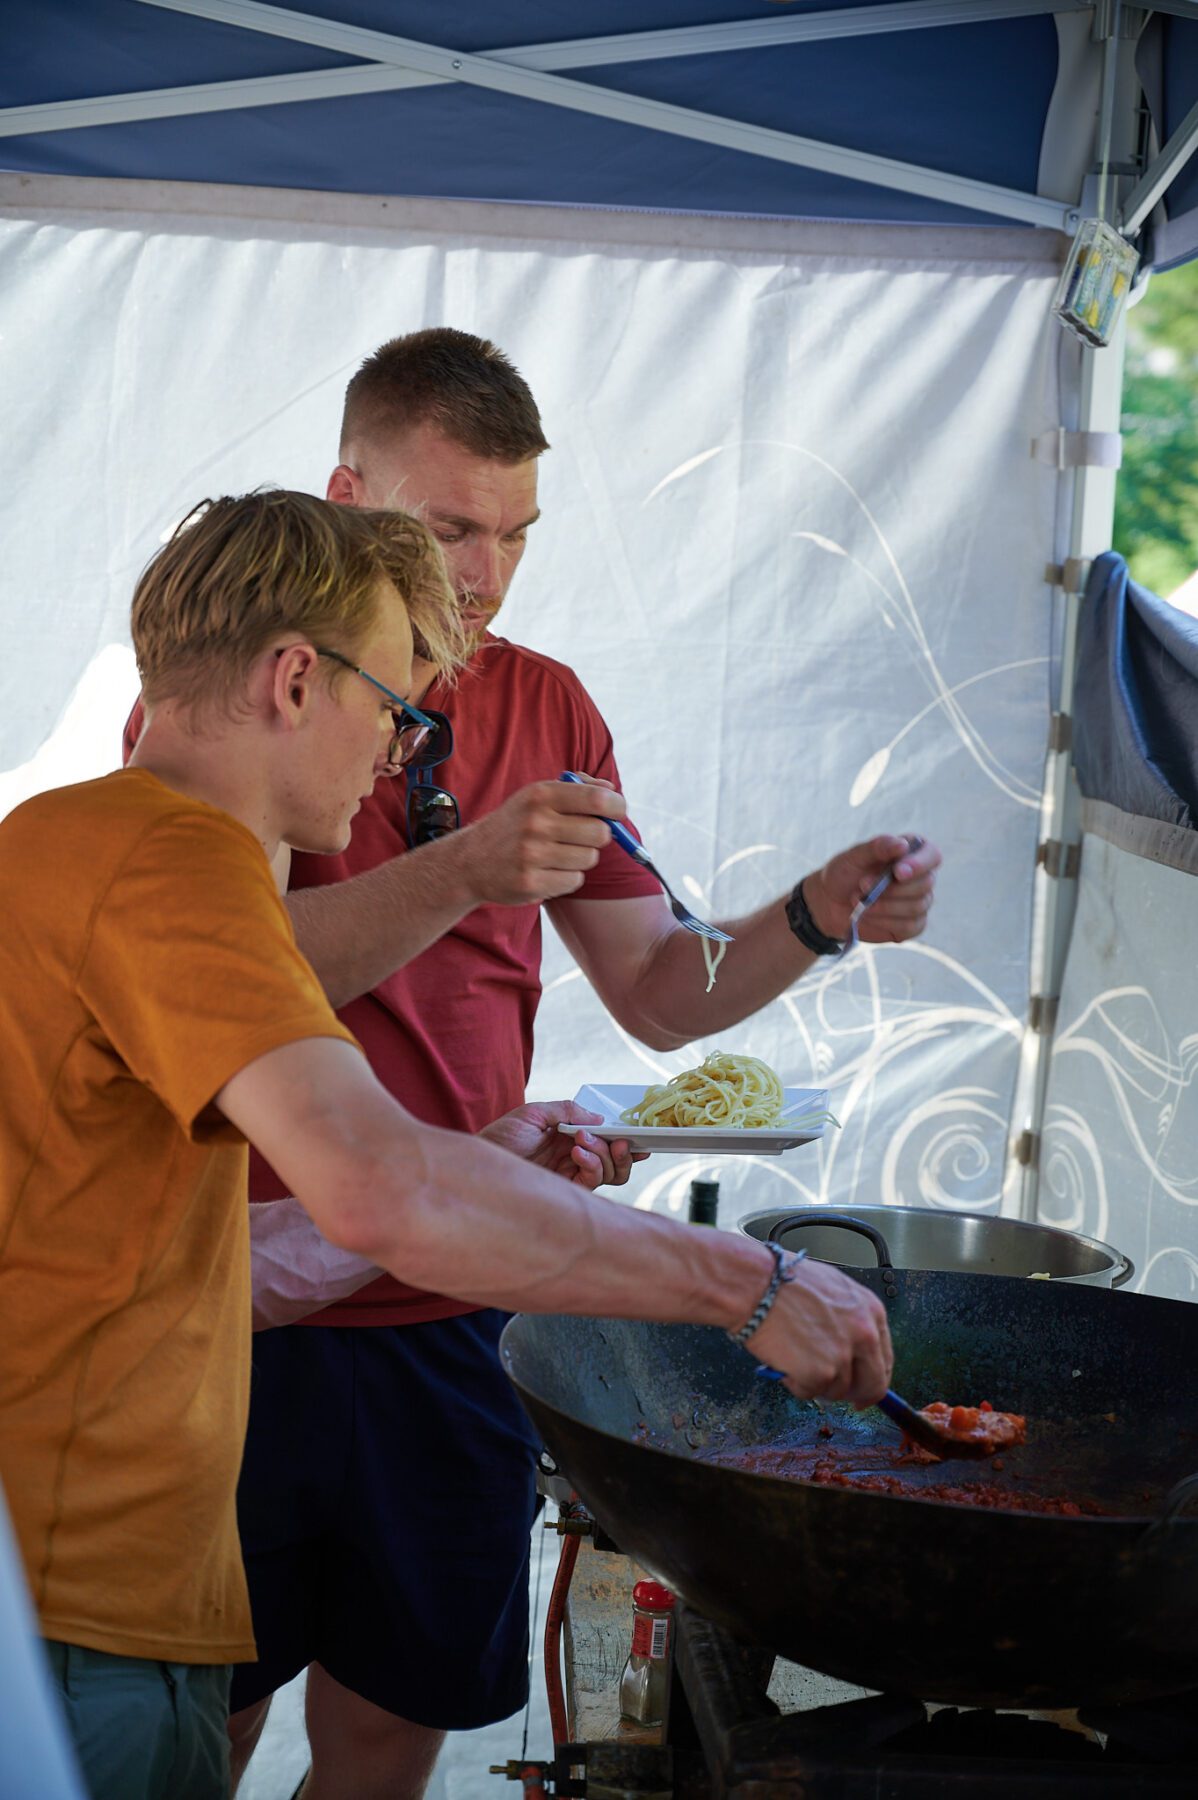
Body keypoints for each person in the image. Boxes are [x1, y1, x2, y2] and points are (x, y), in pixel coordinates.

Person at [0, 488, 893, 1800]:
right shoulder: (175, 866)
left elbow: (203, 1256)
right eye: (394, 706)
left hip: (71, 1581)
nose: (401, 750)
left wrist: (484, 1159)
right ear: (295, 678)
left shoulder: (64, 841)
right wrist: (743, 1287)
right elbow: (379, 1189)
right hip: (87, 1604)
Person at [225, 332, 941, 1798]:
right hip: (241, 1290)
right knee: (197, 1735)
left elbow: (665, 996)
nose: (482, 577)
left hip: (454, 1302)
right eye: (446, 530)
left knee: (382, 1741)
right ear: (345, 492)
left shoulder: (547, 706)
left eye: (512, 535)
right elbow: (226, 981)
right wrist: (465, 869)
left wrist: (814, 916)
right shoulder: (254, 682)